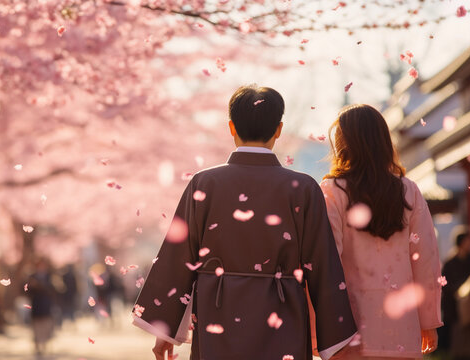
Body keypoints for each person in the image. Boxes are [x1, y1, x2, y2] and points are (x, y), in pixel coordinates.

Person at [132, 85, 357, 360]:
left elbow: (179, 258)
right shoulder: (303, 188)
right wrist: (334, 339)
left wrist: (164, 331)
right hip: (283, 315)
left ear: (231, 127)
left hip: (218, 315)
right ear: (278, 129)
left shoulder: (204, 183)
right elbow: (323, 265)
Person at [320, 104, 443, 359]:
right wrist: (428, 321)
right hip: (403, 327)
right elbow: (425, 259)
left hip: (349, 329)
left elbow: (326, 262)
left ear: (343, 143)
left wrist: (317, 331)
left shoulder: (333, 191)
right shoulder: (408, 190)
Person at [440, 232, 470, 355]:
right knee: (457, 340)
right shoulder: (450, 263)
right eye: (468, 241)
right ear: (461, 243)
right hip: (454, 307)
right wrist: (456, 291)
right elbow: (444, 283)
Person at [27, 260, 55, 356]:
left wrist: (38, 285)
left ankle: (44, 344)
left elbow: (52, 289)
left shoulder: (49, 276)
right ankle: (38, 344)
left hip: (46, 304)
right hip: (36, 304)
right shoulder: (32, 276)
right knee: (36, 326)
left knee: (45, 325)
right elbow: (27, 290)